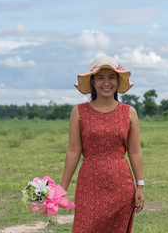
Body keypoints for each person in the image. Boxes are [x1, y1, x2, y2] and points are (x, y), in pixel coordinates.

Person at [60, 55, 145, 233]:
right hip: (89, 184)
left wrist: (140, 186)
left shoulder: (129, 113)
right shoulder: (79, 112)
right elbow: (74, 151)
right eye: (100, 77)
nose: (106, 83)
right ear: (92, 82)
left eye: (111, 77)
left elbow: (135, 152)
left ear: (117, 81)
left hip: (121, 187)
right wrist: (62, 188)